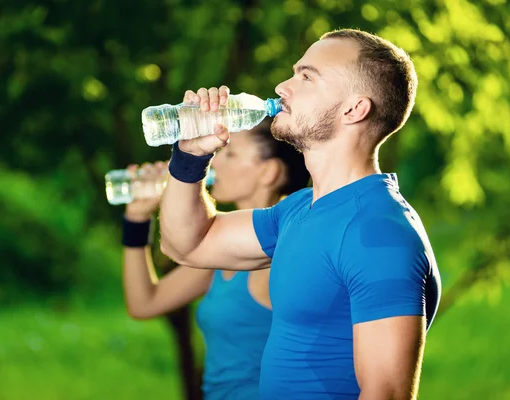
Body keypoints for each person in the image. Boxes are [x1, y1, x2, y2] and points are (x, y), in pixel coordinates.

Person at [158, 28, 442, 399]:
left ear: (354, 109)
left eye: (307, 77)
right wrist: (191, 156)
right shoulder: (298, 211)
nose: (282, 87)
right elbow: (185, 245)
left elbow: (385, 393)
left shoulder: (379, 233)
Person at [120, 120, 310, 400]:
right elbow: (143, 303)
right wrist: (137, 219)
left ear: (268, 171)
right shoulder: (224, 251)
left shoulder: (286, 250)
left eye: (230, 154)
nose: (215, 163)